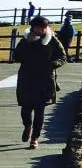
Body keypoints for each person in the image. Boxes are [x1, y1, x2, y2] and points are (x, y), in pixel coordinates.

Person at [13, 16, 66, 149]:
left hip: (45, 80)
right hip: (27, 79)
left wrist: (54, 64)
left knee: (39, 110)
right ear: (33, 27)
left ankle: (35, 138)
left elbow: (63, 56)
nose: (41, 30)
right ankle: (27, 126)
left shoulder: (52, 40)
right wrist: (22, 55)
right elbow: (16, 55)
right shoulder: (26, 40)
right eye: (38, 27)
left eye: (44, 27)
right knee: (25, 109)